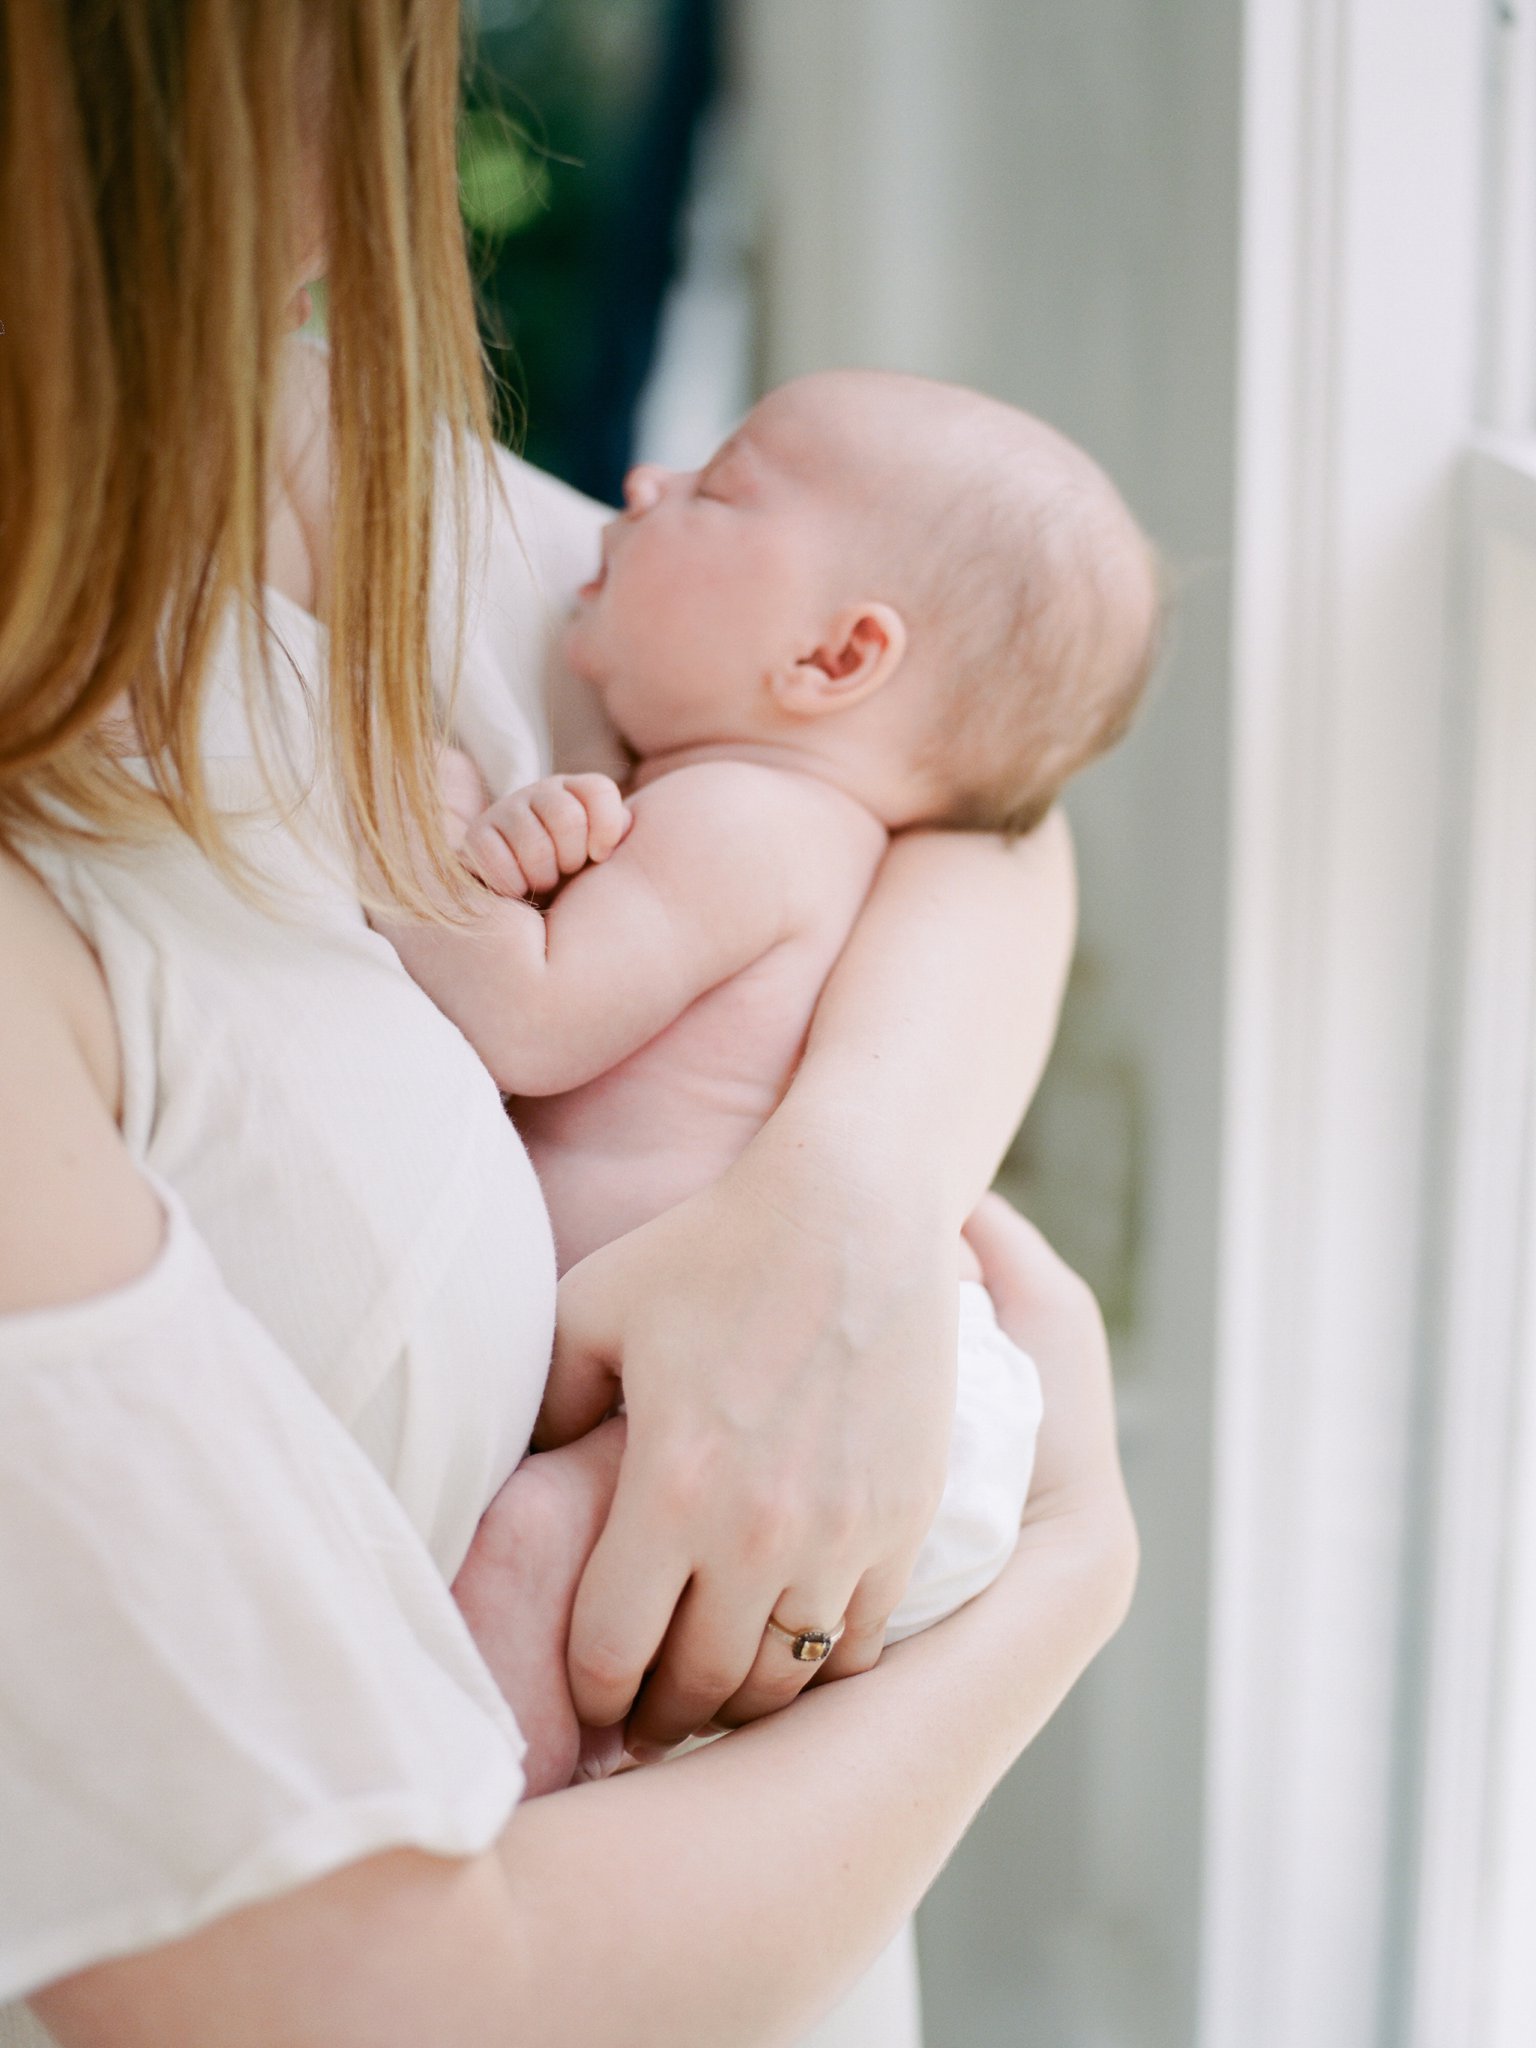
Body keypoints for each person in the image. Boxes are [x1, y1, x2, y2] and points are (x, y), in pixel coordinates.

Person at [0, 7, 1137, 2045]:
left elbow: (972, 809)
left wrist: (845, 1196)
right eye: (348, 74)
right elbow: (373, 1986)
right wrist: (1064, 1589)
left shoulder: (295, 448)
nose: (390, 165)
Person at [377, 369, 1157, 1787]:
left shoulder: (747, 818)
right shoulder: (777, 829)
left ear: (838, 659)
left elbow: (528, 1019)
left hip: (833, 1408)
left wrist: (411, 827)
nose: (643, 486)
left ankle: (488, 1855)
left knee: (530, 1566)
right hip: (842, 1398)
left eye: (719, 488)